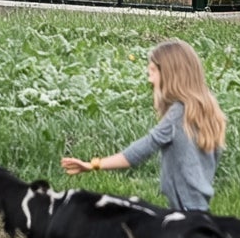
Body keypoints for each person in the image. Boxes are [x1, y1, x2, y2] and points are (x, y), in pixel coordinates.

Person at [62, 39, 227, 213]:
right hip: (200, 209)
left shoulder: (178, 114)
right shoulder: (205, 111)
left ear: (171, 74)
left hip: (185, 211)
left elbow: (141, 150)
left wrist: (94, 165)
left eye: (153, 71)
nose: (150, 79)